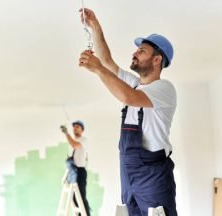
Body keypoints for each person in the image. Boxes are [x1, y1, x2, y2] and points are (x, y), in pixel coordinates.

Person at [77, 8, 178, 216]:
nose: (134, 53)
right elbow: (106, 62)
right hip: (128, 169)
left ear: (157, 59)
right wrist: (95, 26)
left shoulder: (164, 89)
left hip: (153, 175)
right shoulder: (134, 84)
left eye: (141, 51)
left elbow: (128, 98)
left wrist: (98, 70)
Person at [60, 120, 90, 216]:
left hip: (80, 172)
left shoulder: (83, 140)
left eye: (78, 126)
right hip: (73, 172)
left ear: (82, 130)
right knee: (73, 198)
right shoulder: (72, 142)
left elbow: (74, 145)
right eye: (74, 126)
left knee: (81, 198)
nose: (75, 128)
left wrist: (66, 133)